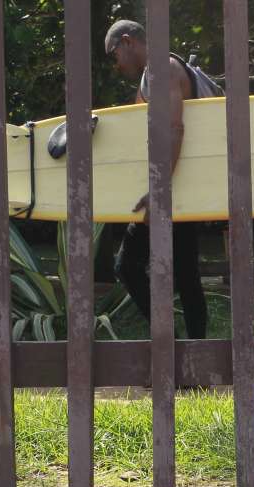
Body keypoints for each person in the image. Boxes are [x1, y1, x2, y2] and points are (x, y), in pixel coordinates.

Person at [104, 19, 212, 339]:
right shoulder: (150, 78)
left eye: (113, 54)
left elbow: (174, 130)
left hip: (169, 185)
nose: (115, 64)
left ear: (127, 42)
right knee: (186, 273)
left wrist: (158, 190)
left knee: (128, 266)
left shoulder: (162, 70)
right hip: (182, 184)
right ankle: (193, 353)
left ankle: (172, 344)